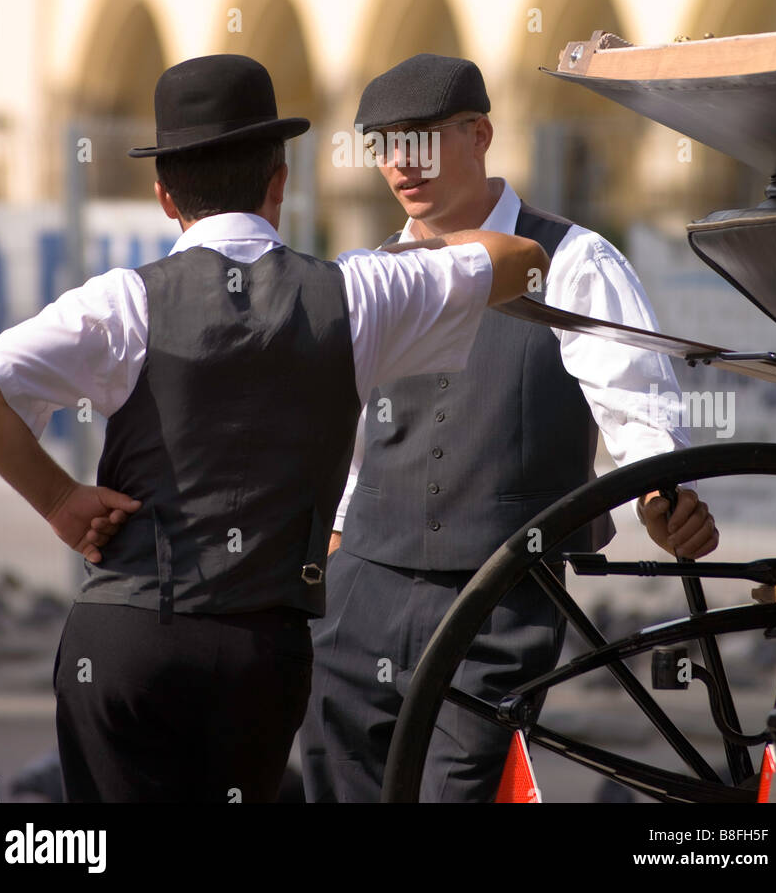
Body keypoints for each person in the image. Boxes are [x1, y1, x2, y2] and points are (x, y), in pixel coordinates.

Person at [0, 53, 552, 804]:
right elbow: (522, 260)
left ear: (165, 197)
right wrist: (422, 267)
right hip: (259, 648)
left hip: (127, 633)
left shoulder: (119, 303)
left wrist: (59, 500)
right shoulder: (360, 294)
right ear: (280, 182)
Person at [300, 52, 719, 804]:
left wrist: (663, 495)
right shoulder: (375, 271)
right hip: (363, 585)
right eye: (383, 144)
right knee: (341, 788)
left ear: (479, 135)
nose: (401, 163)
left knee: (454, 792)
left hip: (500, 591)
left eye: (421, 140)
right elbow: (349, 432)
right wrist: (335, 541)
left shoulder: (571, 258)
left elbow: (635, 405)